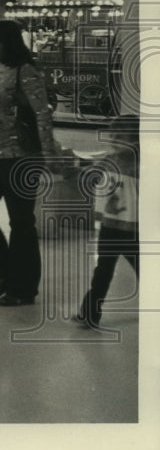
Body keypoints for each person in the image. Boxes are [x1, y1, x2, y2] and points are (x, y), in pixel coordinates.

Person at [0, 19, 59, 307]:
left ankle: (23, 288)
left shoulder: (26, 71)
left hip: (20, 156)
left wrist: (48, 155)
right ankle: (6, 272)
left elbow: (42, 114)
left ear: (7, 41)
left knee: (21, 222)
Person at [75, 116, 139, 329]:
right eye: (113, 135)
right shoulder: (109, 160)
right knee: (103, 270)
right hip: (110, 227)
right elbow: (89, 175)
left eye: (121, 136)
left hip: (134, 231)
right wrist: (73, 169)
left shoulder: (145, 164)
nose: (115, 139)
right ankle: (90, 314)